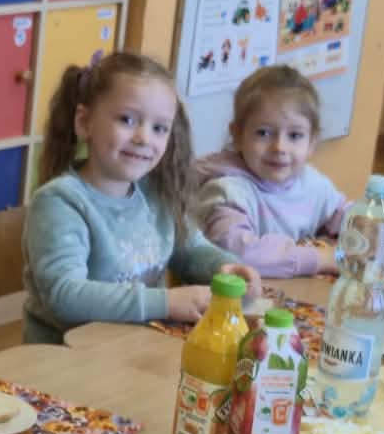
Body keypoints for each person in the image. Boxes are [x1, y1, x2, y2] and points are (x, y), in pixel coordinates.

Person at [22, 51, 259, 344]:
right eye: (127, 120)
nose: (144, 138)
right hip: (66, 356)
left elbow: (189, 248)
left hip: (139, 348)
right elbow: (64, 295)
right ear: (84, 122)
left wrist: (223, 268)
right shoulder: (60, 202)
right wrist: (166, 302)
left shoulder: (155, 192)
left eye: (159, 128)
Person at [191, 62, 349, 276]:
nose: (279, 147)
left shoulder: (313, 185)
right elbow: (237, 253)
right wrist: (319, 259)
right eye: (263, 133)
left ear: (312, 142)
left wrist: (369, 227)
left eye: (294, 135)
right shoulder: (227, 191)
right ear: (237, 135)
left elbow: (345, 217)